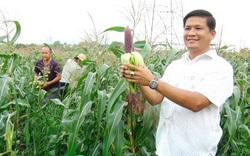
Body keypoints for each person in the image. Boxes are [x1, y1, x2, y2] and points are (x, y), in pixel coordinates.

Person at [120, 9, 234, 155]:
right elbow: (155, 98)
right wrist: (138, 73)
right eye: (187, 28)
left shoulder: (220, 67)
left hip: (194, 152)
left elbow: (197, 102)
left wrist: (152, 80)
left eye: (198, 28)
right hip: (165, 149)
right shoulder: (176, 66)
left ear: (212, 34)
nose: (191, 33)